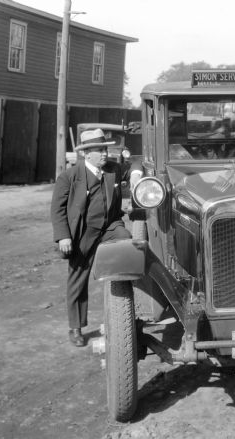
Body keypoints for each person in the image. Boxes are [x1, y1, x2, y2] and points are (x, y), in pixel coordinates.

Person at [51, 128, 142, 346]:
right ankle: (76, 328)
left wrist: (137, 176)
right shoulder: (69, 176)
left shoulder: (114, 169)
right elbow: (57, 210)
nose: (104, 153)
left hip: (111, 226)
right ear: (85, 154)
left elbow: (137, 164)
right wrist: (63, 237)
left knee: (128, 247)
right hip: (83, 232)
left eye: (104, 149)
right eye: (98, 150)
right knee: (77, 279)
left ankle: (124, 313)